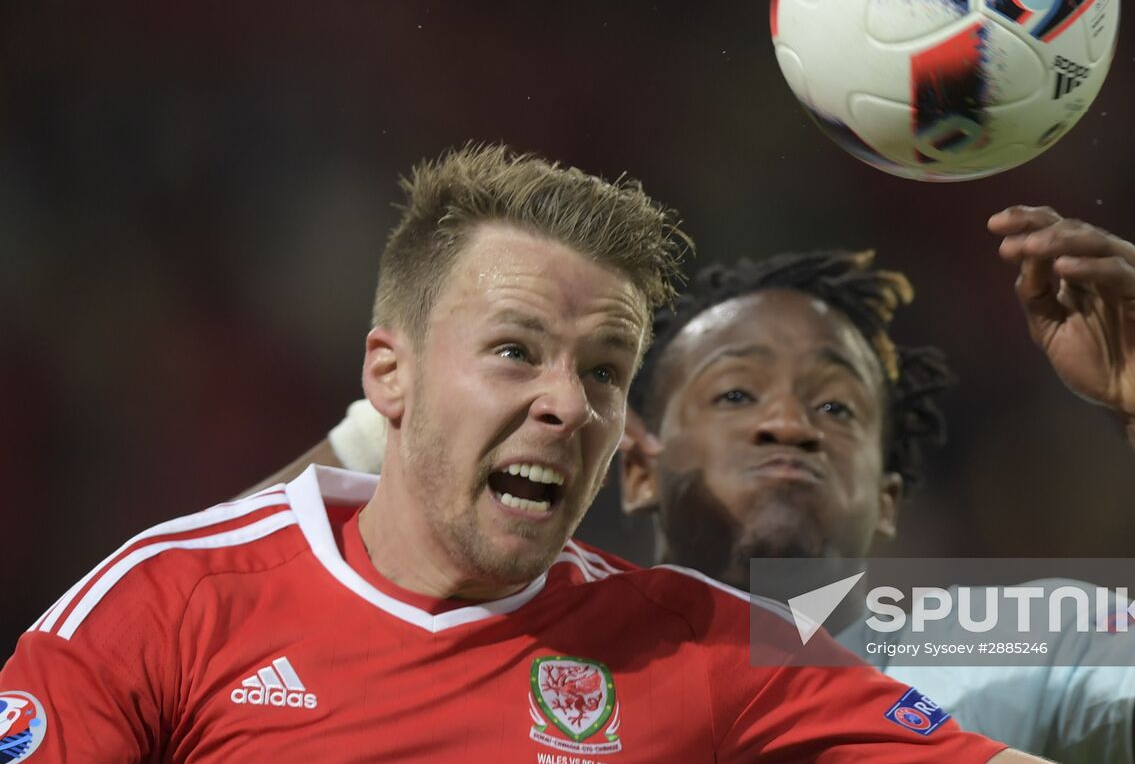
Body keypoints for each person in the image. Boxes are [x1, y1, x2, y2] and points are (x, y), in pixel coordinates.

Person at [0, 144, 1045, 763]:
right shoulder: (169, 606)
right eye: (513, 352)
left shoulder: (709, 653)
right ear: (388, 375)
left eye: (602, 369)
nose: (567, 404)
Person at [283, 210, 1135, 763]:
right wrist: (391, 430)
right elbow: (230, 604)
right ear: (631, 462)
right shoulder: (529, 643)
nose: (786, 421)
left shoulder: (992, 638)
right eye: (731, 397)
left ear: (886, 498)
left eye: (835, 407)